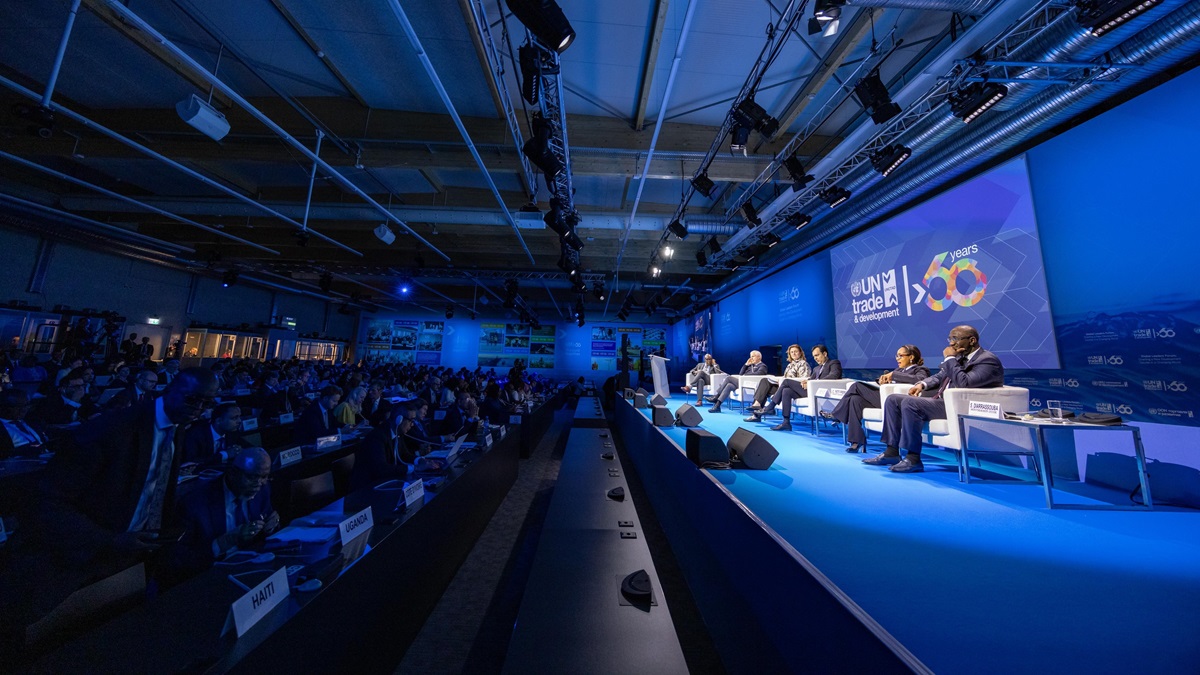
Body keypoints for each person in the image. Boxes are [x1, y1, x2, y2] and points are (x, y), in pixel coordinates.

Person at [21, 369, 218, 620]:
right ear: (168, 390)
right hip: (83, 558)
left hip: (134, 555)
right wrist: (109, 539)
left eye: (207, 403)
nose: (199, 408)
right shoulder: (112, 428)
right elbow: (47, 500)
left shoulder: (177, 425)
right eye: (192, 399)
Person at [864, 325, 1004, 473]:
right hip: (942, 402)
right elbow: (940, 376)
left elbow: (965, 383)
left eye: (955, 339)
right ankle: (892, 451)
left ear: (972, 340)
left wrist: (950, 358)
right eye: (950, 339)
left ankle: (913, 459)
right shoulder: (960, 358)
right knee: (893, 399)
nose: (951, 343)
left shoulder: (987, 360)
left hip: (960, 407)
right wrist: (922, 384)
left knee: (910, 403)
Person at [172, 447, 279, 577]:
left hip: (253, 567)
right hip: (210, 574)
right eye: (252, 477)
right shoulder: (194, 503)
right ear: (233, 473)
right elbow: (178, 560)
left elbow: (266, 523)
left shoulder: (263, 489)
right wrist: (225, 542)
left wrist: (271, 525)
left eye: (264, 476)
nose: (259, 484)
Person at [831, 345, 930, 453]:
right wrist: (882, 381)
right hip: (884, 398)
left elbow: (920, 380)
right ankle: (856, 441)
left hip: (896, 403)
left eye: (900, 356)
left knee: (856, 386)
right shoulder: (899, 370)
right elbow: (886, 379)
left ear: (911, 357)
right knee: (855, 400)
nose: (897, 358)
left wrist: (894, 375)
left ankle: (836, 415)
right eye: (896, 356)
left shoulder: (920, 370)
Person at [745, 345, 810, 420]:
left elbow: (803, 380)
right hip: (784, 385)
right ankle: (757, 407)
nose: (793, 354)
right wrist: (778, 379)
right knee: (765, 382)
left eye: (796, 351)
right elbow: (785, 377)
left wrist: (785, 381)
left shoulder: (803, 364)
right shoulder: (790, 365)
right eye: (791, 352)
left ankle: (764, 411)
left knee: (770, 388)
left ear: (800, 353)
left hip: (794, 389)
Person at [0, 389, 48, 459]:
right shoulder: (2, 428)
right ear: (3, 407)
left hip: (45, 457)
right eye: (18, 406)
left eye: (26, 405)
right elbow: (4, 454)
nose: (23, 409)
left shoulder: (30, 420)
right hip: (20, 463)